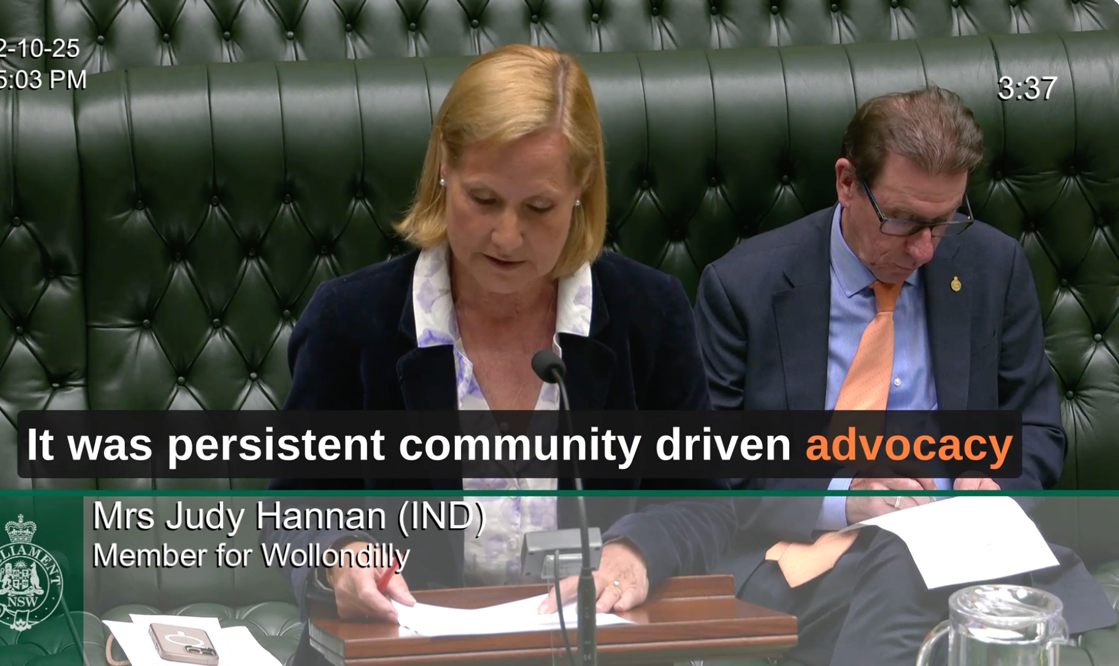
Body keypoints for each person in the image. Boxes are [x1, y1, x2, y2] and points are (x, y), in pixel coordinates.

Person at [266, 44, 733, 666]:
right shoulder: (351, 321)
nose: (507, 236)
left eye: (539, 207)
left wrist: (636, 553)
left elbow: (705, 499)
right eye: (483, 199)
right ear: (444, 170)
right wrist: (338, 558)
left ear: (581, 188)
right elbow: (294, 506)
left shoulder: (648, 313)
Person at [694, 86, 1117, 666]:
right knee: (901, 562)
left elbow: (1036, 430)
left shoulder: (992, 267)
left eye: (942, 223)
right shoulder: (744, 287)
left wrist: (996, 483)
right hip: (812, 559)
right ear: (847, 183)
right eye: (902, 221)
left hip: (969, 550)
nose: (923, 250)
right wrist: (845, 499)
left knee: (911, 571)